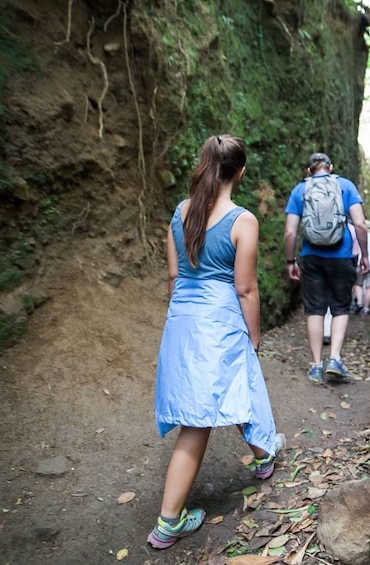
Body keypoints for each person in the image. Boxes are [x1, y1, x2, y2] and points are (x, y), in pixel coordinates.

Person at [148, 134, 285, 550]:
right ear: (239, 172)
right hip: (218, 318)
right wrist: (254, 333)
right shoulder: (242, 220)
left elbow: (174, 277)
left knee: (234, 381)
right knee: (199, 419)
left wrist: (180, 321)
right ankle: (169, 522)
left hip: (183, 319)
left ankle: (264, 455)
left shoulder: (180, 213)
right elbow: (245, 289)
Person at [284, 152, 369, 383]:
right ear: (330, 167)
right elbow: (360, 224)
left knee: (314, 309)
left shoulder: (300, 190)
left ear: (308, 170)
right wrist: (364, 254)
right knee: (340, 307)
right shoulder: (345, 186)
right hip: (341, 256)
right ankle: (334, 358)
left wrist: (290, 260)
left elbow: (290, 232)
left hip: (312, 256)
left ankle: (315, 365)